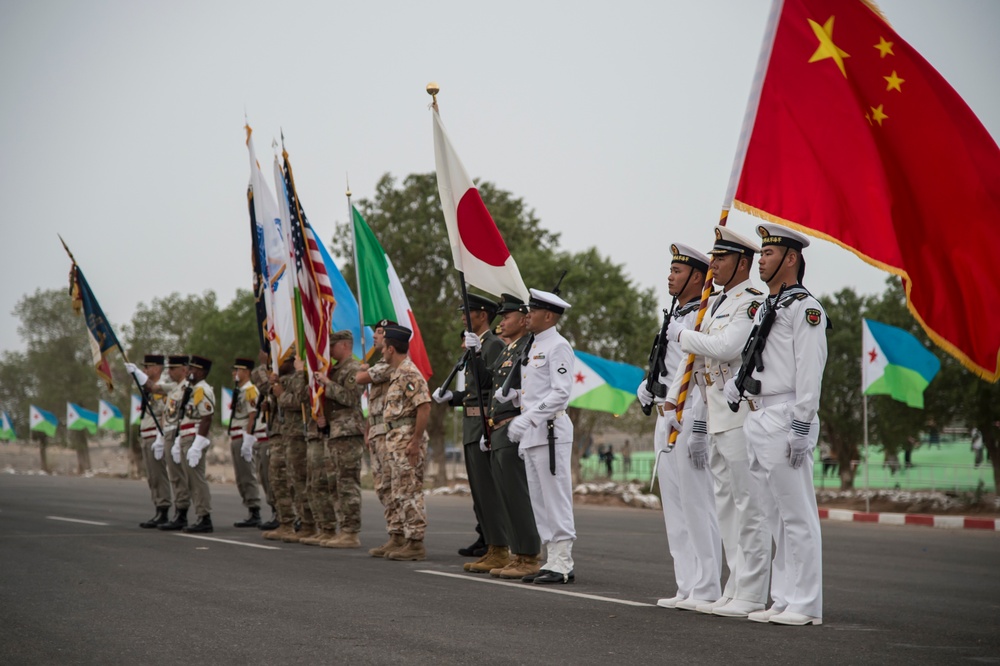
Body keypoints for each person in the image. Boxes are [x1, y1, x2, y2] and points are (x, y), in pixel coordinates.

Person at [725, 222, 829, 626]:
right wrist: (739, 386)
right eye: (762, 253)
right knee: (774, 514)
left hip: (787, 414)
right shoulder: (769, 306)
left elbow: (809, 370)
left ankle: (806, 603)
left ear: (791, 258)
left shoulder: (806, 308)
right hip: (759, 413)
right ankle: (784, 597)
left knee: (797, 513)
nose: (761, 260)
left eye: (769, 254)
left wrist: (803, 424)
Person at [672, 227, 771, 618]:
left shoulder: (749, 302)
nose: (712, 265)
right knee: (727, 507)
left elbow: (728, 347)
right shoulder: (714, 303)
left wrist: (684, 337)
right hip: (714, 413)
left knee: (749, 505)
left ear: (742, 263)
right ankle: (734, 585)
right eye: (713, 257)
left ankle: (752, 591)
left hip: (738, 414)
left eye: (721, 258)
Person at [637, 243, 721, 610]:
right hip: (665, 413)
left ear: (698, 277)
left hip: (688, 413)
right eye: (670, 269)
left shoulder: (705, 313)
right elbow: (668, 363)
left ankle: (708, 586)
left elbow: (700, 370)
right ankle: (686, 584)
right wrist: (648, 386)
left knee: (697, 504)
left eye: (677, 270)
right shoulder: (677, 312)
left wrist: (699, 423)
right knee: (675, 507)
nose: (669, 276)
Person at [432, 293, 509, 574]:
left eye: (468, 311)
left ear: (482, 315)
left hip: (484, 425)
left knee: (489, 491)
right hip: (470, 424)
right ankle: (491, 547)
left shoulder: (492, 345)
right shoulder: (477, 345)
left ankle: (500, 548)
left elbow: (493, 387)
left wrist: (488, 423)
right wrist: (453, 396)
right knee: (480, 493)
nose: (463, 316)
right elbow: (474, 391)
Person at [506, 288, 576, 585]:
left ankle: (563, 561)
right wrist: (513, 396)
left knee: (555, 498)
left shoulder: (557, 346)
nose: (527, 315)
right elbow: (536, 390)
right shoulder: (534, 345)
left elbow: (560, 393)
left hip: (550, 432)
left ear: (548, 315)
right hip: (533, 434)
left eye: (532, 311)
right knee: (540, 500)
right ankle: (552, 560)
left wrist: (527, 417)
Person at [486, 293, 542, 580]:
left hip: (514, 427)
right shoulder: (509, 351)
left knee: (518, 494)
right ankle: (518, 553)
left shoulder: (528, 348)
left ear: (523, 319)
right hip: (498, 427)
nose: (502, 322)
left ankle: (529, 554)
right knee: (506, 495)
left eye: (507, 317)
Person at [380, 324, 432, 561]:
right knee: (399, 490)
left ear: (391, 348)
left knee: (410, 489)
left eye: (383, 348)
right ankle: (403, 537)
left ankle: (415, 542)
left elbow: (424, 406)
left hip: (406, 441)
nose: (382, 351)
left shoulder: (409, 373)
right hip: (395, 441)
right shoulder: (398, 372)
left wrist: (415, 441)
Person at [358, 320, 407, 558]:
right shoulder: (379, 363)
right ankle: (394, 534)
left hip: (389, 432)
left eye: (380, 333)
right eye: (375, 332)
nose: (375, 337)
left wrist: (361, 369)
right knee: (382, 486)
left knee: (392, 485)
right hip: (377, 429)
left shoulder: (388, 365)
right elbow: (375, 404)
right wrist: (368, 429)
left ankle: (401, 535)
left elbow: (360, 379)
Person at [315, 330, 365, 548]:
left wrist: (327, 384)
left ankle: (351, 532)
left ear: (345, 345)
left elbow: (351, 397)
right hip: (335, 432)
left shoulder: (354, 369)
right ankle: (342, 528)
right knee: (334, 483)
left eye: (333, 346)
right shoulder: (335, 370)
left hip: (348, 432)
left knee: (347, 483)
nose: (329, 351)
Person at [274, 357, 318, 544]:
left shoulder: (304, 375)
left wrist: (280, 395)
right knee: (293, 482)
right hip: (290, 433)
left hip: (301, 433)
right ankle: (302, 521)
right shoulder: (291, 377)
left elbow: (301, 398)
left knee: (302, 481)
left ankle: (309, 524)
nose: (279, 360)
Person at [178, 355, 216, 534]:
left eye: (193, 369)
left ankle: (204, 516)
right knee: (191, 480)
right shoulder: (192, 389)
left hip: (195, 437)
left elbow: (206, 418)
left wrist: (197, 445)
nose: (189, 372)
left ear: (201, 371)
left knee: (197, 479)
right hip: (187, 436)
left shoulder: (202, 390)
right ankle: (200, 515)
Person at [262, 358, 298, 541]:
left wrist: (281, 394)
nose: (275, 362)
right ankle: (285, 522)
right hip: (278, 433)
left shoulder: (298, 378)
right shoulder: (278, 380)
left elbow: (300, 402)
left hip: (293, 434)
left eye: (281, 359)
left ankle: (301, 522)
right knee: (277, 480)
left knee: (294, 481)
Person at [157, 355, 193, 531]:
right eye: (168, 368)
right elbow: (152, 387)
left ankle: (182, 511)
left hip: (180, 434)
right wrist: (137, 374)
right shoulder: (173, 387)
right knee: (173, 475)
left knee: (180, 475)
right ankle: (179, 511)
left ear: (184, 369)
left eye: (173, 368)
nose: (169, 372)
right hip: (169, 433)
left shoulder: (189, 388)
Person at [227, 358, 263, 527]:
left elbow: (252, 415)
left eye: (238, 370)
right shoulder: (239, 390)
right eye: (234, 370)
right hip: (235, 435)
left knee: (247, 475)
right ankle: (250, 507)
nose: (235, 373)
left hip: (243, 436)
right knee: (240, 477)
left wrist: (248, 439)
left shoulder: (250, 391)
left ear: (247, 372)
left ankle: (254, 510)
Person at [250, 354, 278, 530]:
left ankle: (284, 515)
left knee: (275, 478)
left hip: (276, 436)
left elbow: (265, 385)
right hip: (266, 435)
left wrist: (264, 365)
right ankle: (277, 513)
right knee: (265, 476)